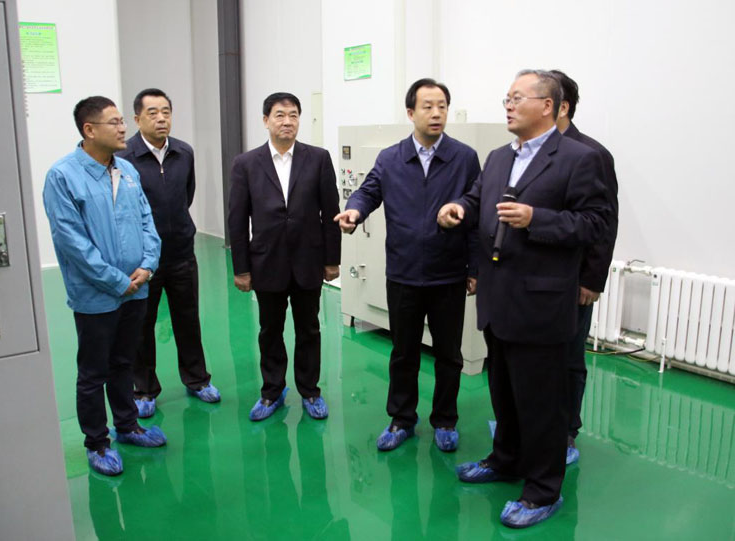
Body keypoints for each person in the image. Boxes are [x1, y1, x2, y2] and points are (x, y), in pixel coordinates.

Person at [437, 70, 610, 527]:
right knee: (505, 393)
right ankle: (505, 459)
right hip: (499, 300)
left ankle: (542, 490)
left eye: (517, 98)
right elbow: (477, 198)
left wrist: (537, 218)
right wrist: (459, 208)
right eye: (507, 99)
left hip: (541, 302)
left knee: (542, 403)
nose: (509, 106)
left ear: (548, 106)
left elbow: (595, 224)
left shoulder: (579, 158)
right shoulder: (499, 157)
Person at [334, 78, 481, 452]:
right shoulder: (390, 158)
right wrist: (354, 211)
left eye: (442, 106)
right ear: (410, 112)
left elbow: (475, 211)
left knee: (449, 354)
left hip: (448, 273)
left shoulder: (464, 158)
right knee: (404, 352)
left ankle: (445, 420)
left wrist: (474, 268)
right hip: (403, 273)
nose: (436, 113)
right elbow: (368, 191)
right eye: (428, 106)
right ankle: (401, 419)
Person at [43, 96, 167, 476]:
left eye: (121, 121)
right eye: (114, 122)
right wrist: (116, 281)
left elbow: (147, 222)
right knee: (93, 372)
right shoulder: (62, 176)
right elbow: (72, 242)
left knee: (124, 363)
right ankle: (97, 442)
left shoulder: (127, 171)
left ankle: (127, 426)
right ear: (89, 130)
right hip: (96, 295)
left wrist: (147, 266)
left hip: (136, 288)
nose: (123, 128)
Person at [227, 92, 341, 421]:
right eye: (279, 115)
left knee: (309, 330)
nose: (287, 121)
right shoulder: (246, 164)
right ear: (266, 121)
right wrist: (241, 268)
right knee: (270, 330)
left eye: (293, 115)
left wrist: (331, 259)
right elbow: (237, 219)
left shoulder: (318, 158)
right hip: (266, 262)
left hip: (309, 261)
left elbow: (330, 212)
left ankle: (310, 391)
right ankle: (272, 391)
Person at [117, 88, 220, 419]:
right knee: (141, 325)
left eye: (166, 112)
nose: (161, 118)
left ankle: (197, 379)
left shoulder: (183, 152)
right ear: (137, 119)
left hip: (181, 253)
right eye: (153, 113)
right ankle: (144, 389)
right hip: (141, 259)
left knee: (188, 319)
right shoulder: (124, 158)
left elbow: (185, 196)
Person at [550, 70, 619, 465]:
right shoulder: (528, 152)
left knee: (569, 358)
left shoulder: (592, 155)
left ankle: (566, 432)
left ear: (561, 106)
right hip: (534, 279)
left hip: (574, 278)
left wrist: (592, 279)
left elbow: (604, 224)